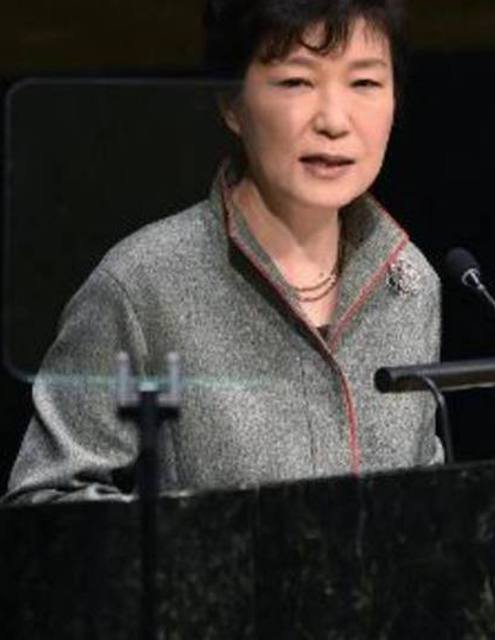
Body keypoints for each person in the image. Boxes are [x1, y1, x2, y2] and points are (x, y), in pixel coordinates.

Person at [3, 0, 442, 504]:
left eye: (364, 83)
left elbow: (425, 496)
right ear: (231, 104)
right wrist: (196, 545)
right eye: (297, 81)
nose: (334, 120)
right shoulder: (143, 284)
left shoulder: (409, 282)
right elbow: (42, 506)